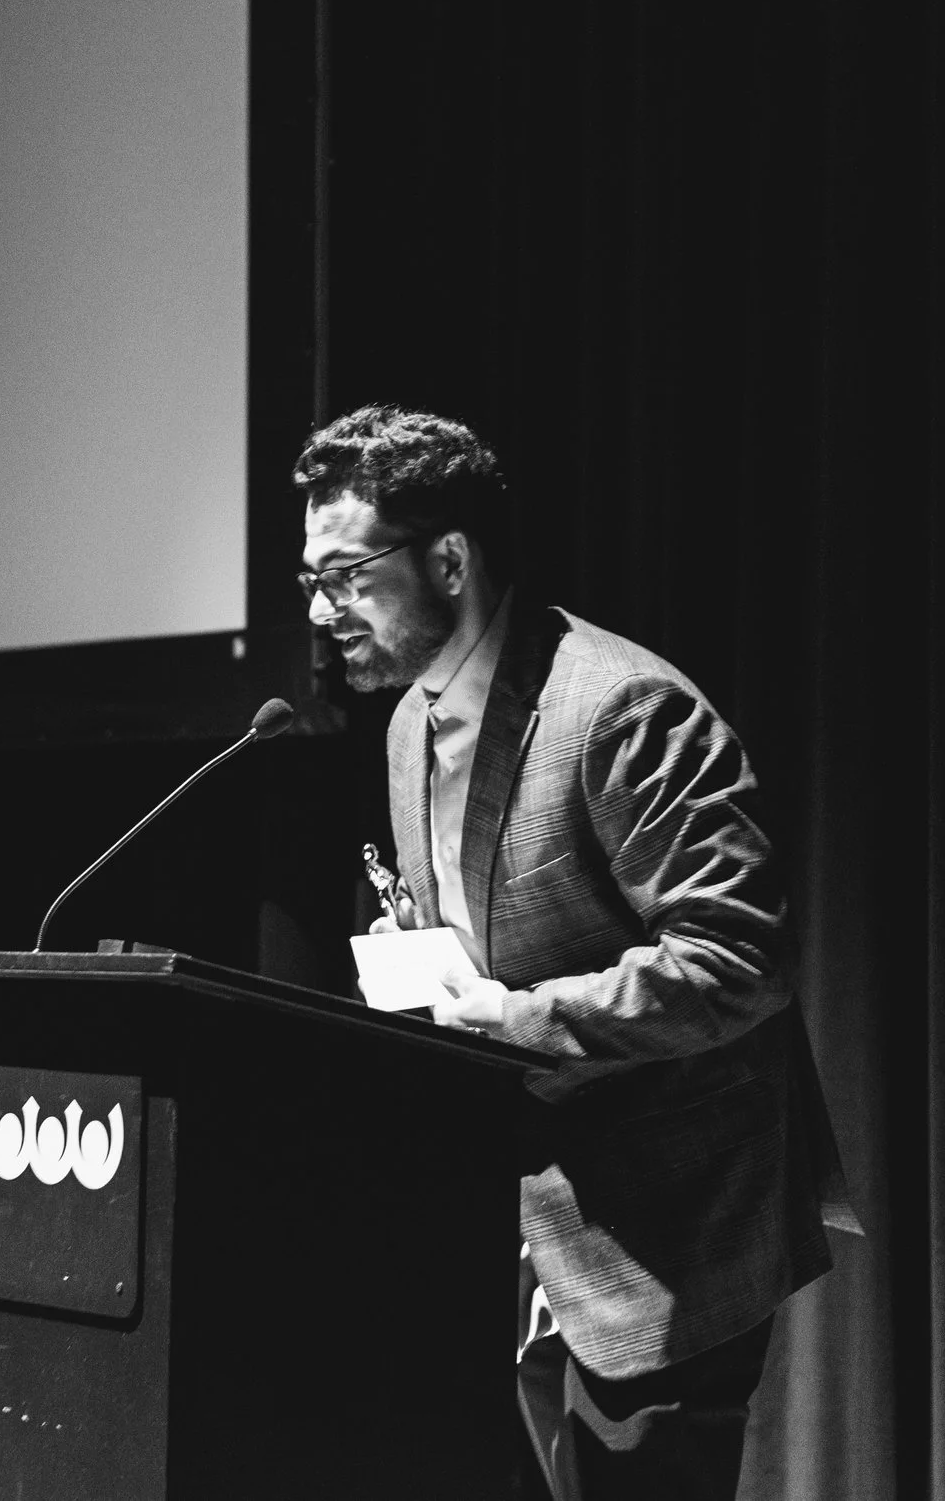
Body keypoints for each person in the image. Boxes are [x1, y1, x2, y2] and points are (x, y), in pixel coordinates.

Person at [294, 405, 858, 1500]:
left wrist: (501, 1017)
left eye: (347, 576)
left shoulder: (619, 708)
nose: (323, 614)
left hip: (666, 1232)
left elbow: (735, 959)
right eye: (312, 581)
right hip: (509, 1231)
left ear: (448, 559)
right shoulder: (411, 721)